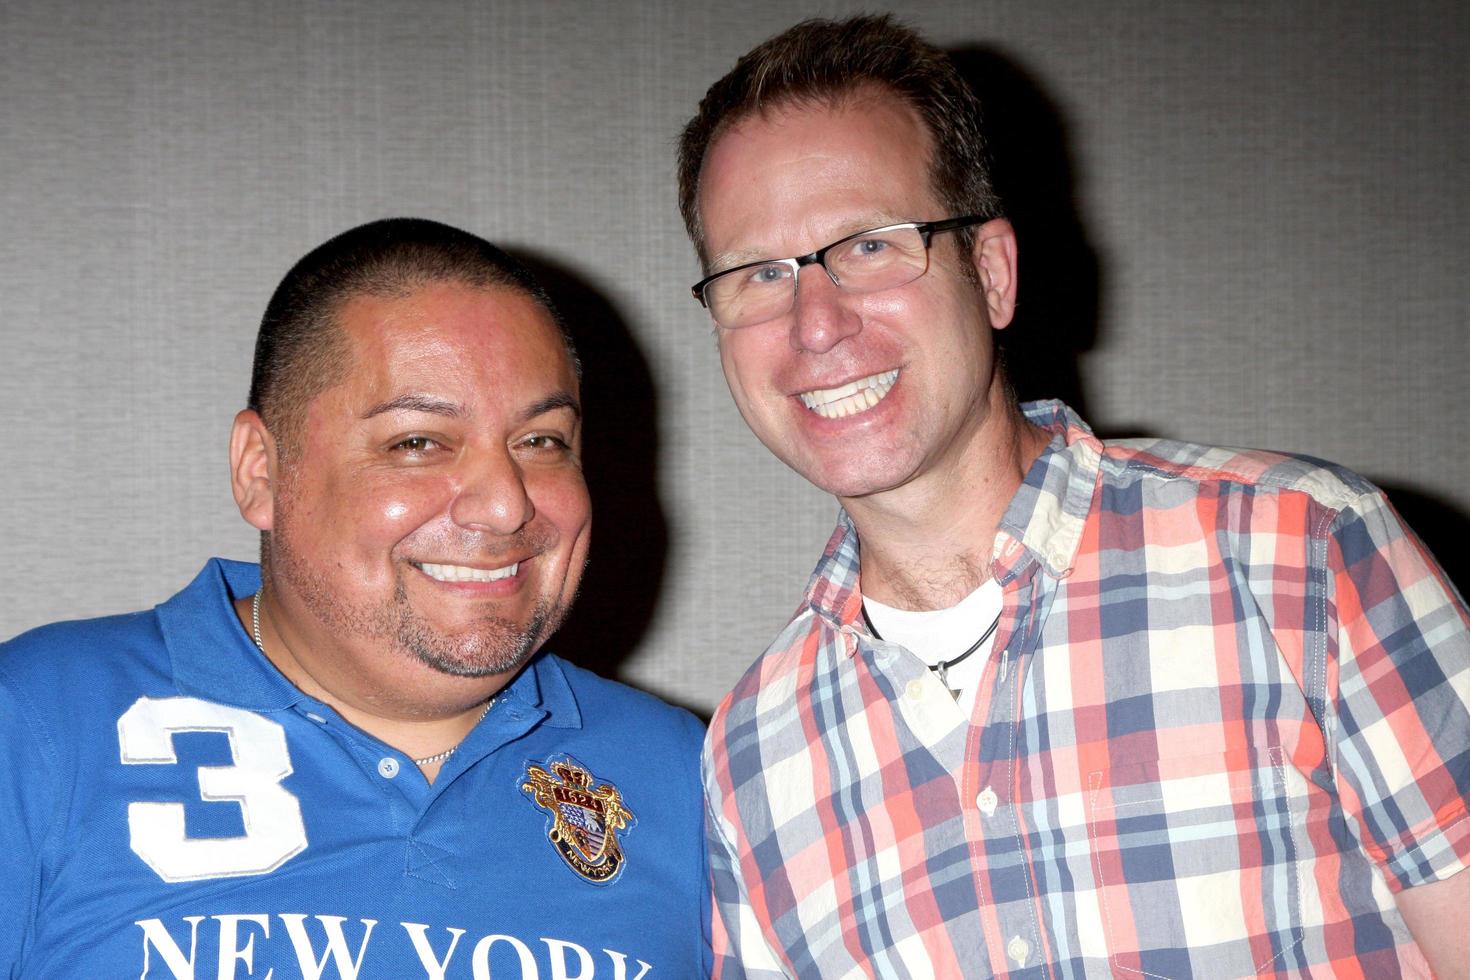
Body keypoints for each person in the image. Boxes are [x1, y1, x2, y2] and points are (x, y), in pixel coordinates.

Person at [678, 15, 1470, 978]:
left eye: (872, 246)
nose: (815, 320)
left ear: (994, 273)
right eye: (759, 272)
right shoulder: (751, 753)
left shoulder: (1301, 551)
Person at [0, 218, 709, 977]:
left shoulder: (691, 778)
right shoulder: (37, 723)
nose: (506, 505)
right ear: (261, 472)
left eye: (542, 441)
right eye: (417, 442)